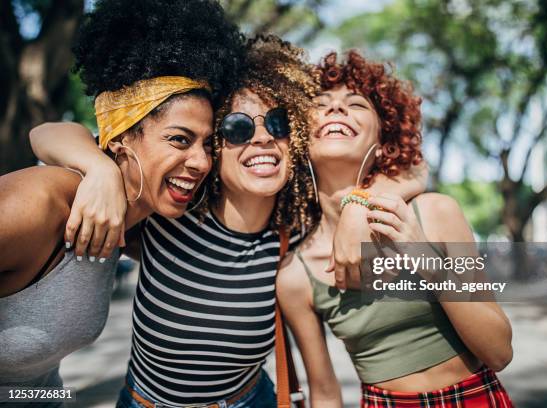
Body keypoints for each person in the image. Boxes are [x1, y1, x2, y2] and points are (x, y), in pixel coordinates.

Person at [30, 37, 426, 406]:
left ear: (297, 139)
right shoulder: (169, 212)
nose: (262, 139)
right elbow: (47, 133)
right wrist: (97, 169)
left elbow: (416, 170)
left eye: (278, 124)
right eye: (237, 127)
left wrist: (360, 205)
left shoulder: (297, 232)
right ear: (214, 147)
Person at [0, 0, 245, 404]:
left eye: (207, 144)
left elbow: (49, 132)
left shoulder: (141, 222)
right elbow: (45, 132)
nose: (202, 162)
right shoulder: (41, 204)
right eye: (179, 139)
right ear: (120, 138)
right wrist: (99, 170)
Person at [277, 50, 514, 408]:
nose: (336, 109)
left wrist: (423, 256)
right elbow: (324, 393)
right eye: (320, 103)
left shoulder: (434, 213)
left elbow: (499, 351)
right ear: (298, 139)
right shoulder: (296, 274)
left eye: (356, 103)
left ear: (383, 135)